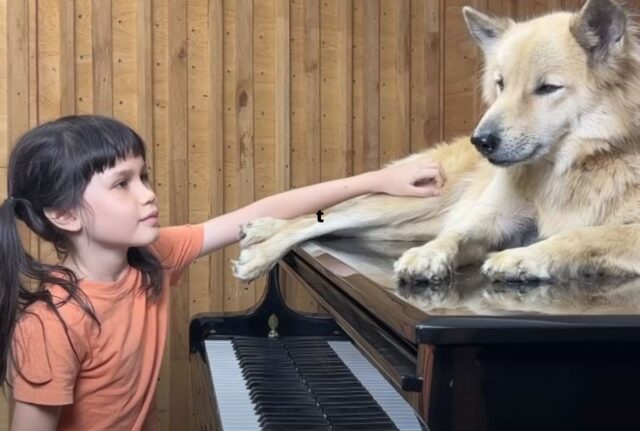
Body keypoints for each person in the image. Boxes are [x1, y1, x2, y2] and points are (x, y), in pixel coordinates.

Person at [0, 115, 445, 431]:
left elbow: (257, 214)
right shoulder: (49, 324)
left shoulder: (154, 257)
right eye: (122, 183)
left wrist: (376, 182)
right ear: (64, 215)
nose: (148, 195)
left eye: (144, 176)